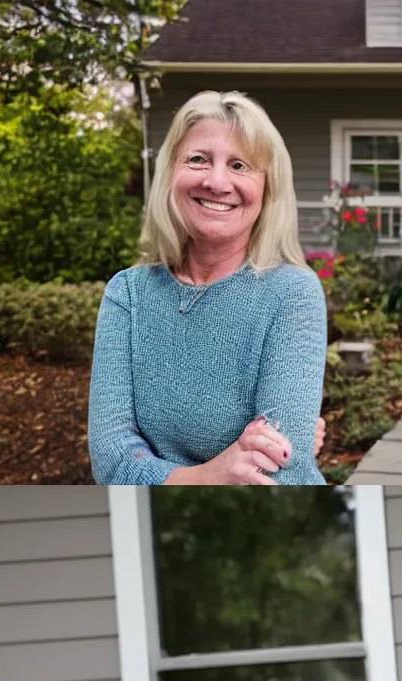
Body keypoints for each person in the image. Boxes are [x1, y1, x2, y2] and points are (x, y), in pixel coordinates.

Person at [89, 90, 329, 485]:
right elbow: (111, 460)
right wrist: (208, 475)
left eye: (239, 165)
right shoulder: (127, 295)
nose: (217, 181)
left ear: (267, 189)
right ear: (171, 174)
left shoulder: (291, 292)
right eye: (198, 159)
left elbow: (282, 469)